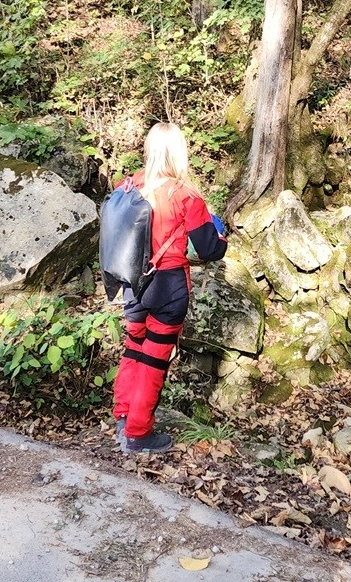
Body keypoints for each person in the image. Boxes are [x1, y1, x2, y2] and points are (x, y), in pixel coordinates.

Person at [111, 122, 227, 453]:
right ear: (178, 153)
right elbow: (208, 249)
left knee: (134, 346)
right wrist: (222, 238)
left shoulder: (127, 187)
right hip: (168, 287)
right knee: (155, 358)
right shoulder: (185, 195)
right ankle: (138, 432)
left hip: (132, 284)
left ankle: (123, 413)